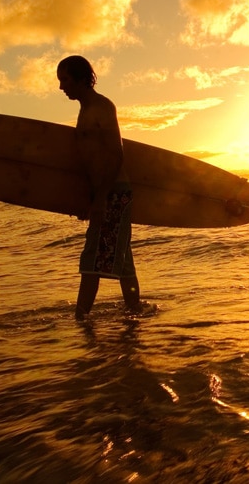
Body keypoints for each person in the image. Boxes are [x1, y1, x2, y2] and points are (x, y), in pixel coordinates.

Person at [57, 55, 143, 319]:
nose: (61, 87)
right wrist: (89, 197)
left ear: (83, 78)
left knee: (93, 258)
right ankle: (136, 315)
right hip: (105, 193)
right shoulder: (84, 109)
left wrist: (102, 197)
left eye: (65, 80)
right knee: (122, 260)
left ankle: (81, 320)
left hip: (114, 192)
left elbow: (116, 154)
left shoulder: (102, 106)